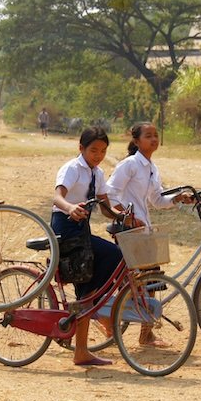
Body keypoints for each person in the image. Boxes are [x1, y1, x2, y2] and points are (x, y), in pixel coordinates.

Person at [106, 122, 195, 346]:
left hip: (143, 230)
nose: (154, 139)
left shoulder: (152, 168)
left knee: (150, 280)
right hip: (130, 230)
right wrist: (125, 216)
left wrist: (178, 198)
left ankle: (146, 333)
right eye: (148, 136)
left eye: (156, 135)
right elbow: (110, 194)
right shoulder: (129, 165)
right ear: (136, 141)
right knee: (142, 280)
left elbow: (156, 200)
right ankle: (118, 323)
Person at [51, 127, 126, 366]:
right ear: (81, 148)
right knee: (113, 254)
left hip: (81, 232)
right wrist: (70, 207)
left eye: (103, 151)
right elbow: (57, 197)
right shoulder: (72, 168)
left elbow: (106, 208)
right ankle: (90, 301)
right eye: (93, 150)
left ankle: (87, 311)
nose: (98, 155)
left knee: (112, 261)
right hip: (66, 230)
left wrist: (122, 217)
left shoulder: (98, 173)